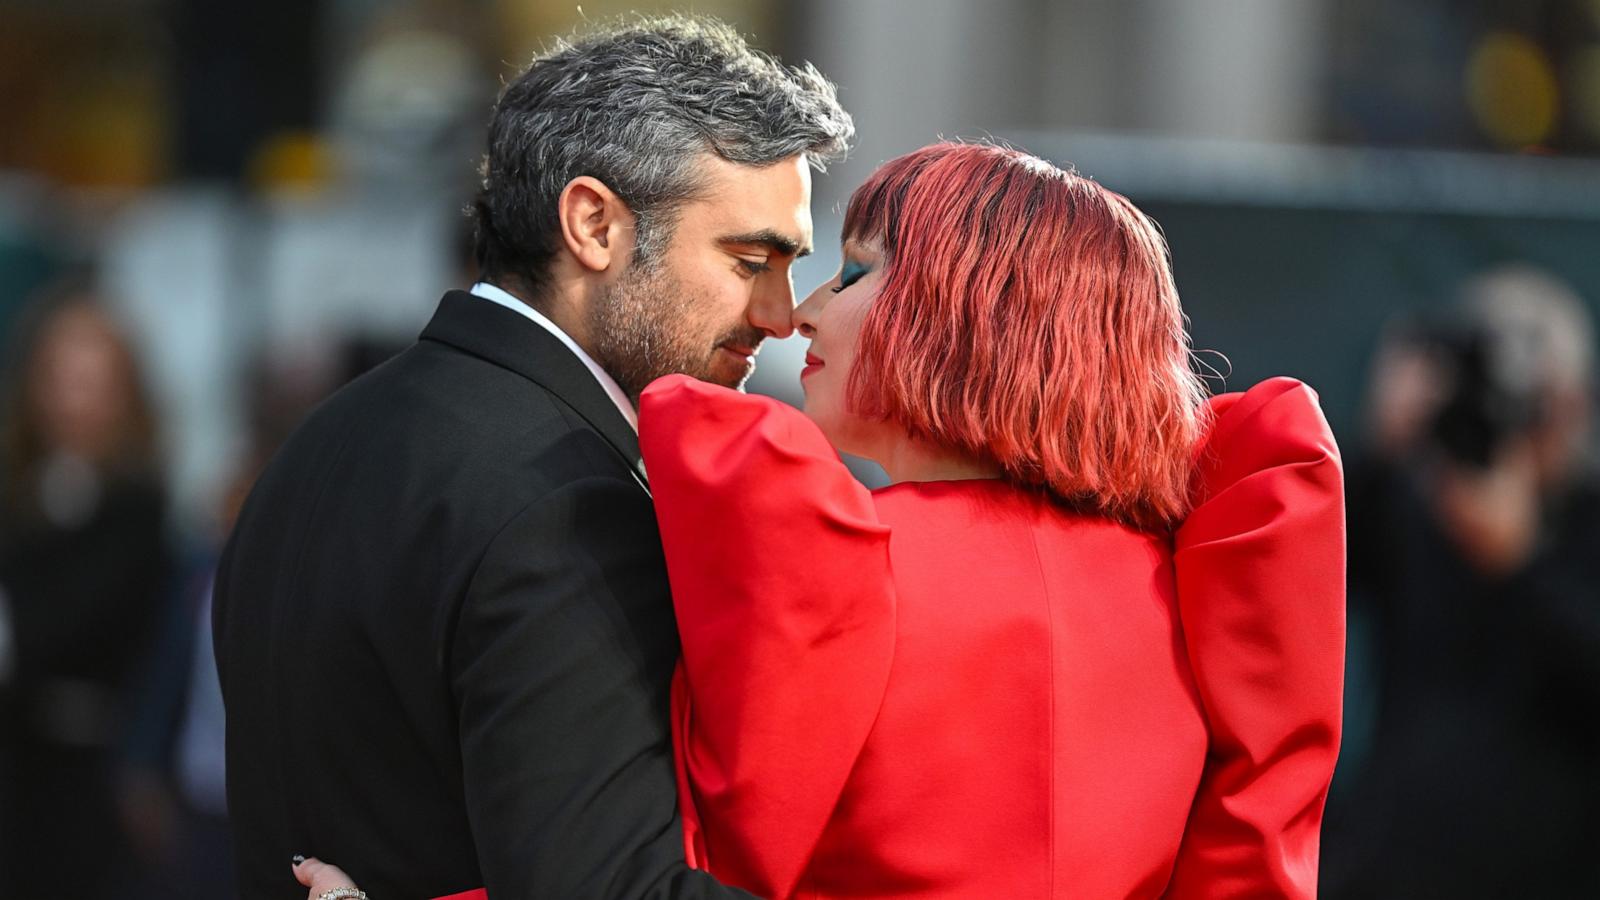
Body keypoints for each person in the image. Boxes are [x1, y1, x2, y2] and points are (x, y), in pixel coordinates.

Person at [296, 143, 1346, 899]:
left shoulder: (841, 568)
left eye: (853, 269)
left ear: (964, 307)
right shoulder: (1177, 586)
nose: (799, 311)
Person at [212, 15, 852, 900]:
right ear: (593, 224)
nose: (782, 315)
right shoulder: (568, 502)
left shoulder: (319, 444)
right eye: (750, 261)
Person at [0, 285, 174, 899]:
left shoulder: (138, 507)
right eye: (60, 377)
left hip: (97, 774)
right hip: (19, 765)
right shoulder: (21, 493)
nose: (74, 400)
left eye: (92, 380)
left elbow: (79, 619)